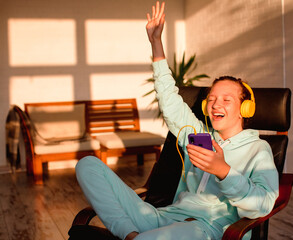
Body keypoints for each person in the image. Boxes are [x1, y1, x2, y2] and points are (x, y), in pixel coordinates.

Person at [75, 2, 279, 240]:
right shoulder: (198, 136)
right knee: (87, 165)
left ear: (245, 108)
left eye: (226, 99)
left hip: (207, 229)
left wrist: (223, 171)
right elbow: (169, 99)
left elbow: (263, 204)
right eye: (211, 99)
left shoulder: (258, 149)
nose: (215, 103)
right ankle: (128, 234)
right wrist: (156, 42)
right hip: (164, 218)